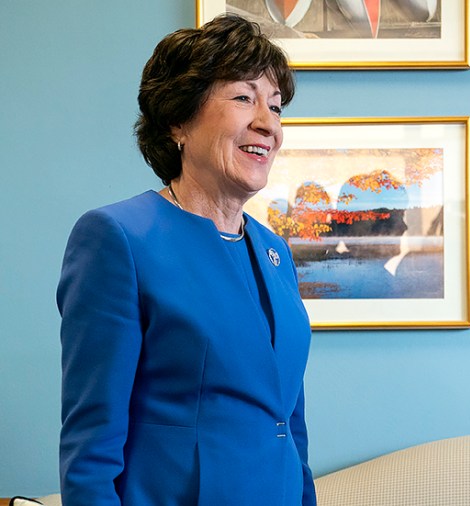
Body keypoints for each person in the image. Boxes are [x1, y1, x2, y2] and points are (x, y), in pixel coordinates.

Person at [56, 15, 316, 505]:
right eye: (244, 97)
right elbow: (90, 446)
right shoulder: (118, 238)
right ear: (178, 119)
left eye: (276, 107)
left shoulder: (275, 250)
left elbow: (289, 422)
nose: (268, 123)